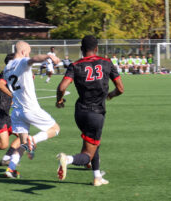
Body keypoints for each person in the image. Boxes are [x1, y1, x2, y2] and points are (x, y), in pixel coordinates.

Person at [55, 35, 124, 186]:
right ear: (97, 48)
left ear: (81, 49)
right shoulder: (106, 62)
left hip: (80, 112)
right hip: (96, 114)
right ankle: (68, 159)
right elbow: (120, 88)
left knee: (93, 143)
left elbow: (62, 87)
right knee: (88, 153)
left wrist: (59, 100)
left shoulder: (75, 65)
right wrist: (110, 95)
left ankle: (97, 177)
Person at [3, 41, 61, 178]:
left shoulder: (6, 68)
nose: (28, 55)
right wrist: (49, 56)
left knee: (23, 145)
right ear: (23, 52)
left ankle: (10, 169)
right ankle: (33, 139)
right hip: (30, 108)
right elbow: (34, 59)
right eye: (28, 52)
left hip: (17, 111)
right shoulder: (22, 61)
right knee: (55, 129)